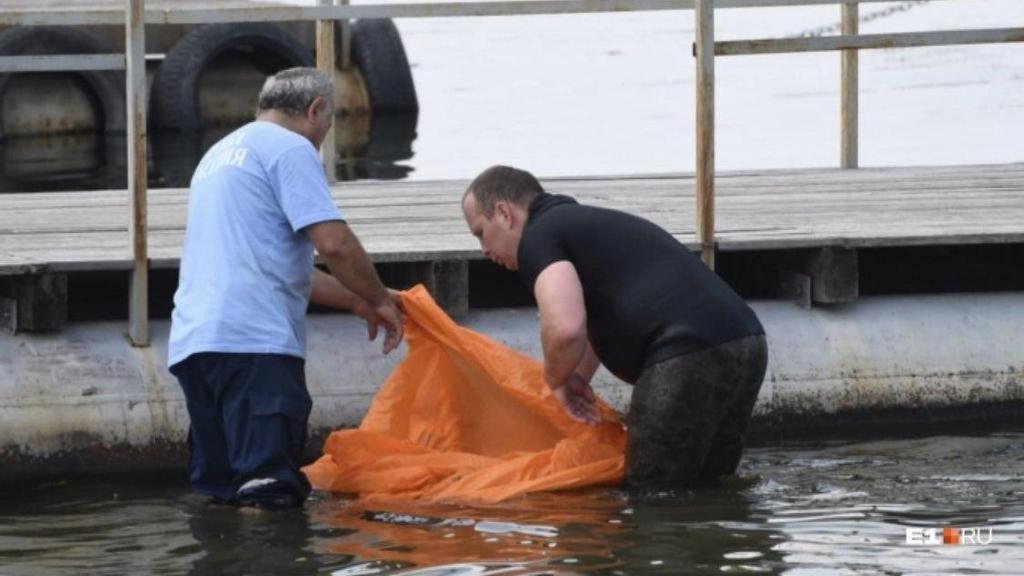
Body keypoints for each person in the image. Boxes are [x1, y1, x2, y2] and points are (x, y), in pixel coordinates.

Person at [168, 67, 403, 510]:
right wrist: (379, 298)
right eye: (326, 127)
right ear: (315, 111)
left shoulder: (217, 156)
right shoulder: (291, 148)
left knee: (221, 490)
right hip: (255, 346)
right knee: (269, 491)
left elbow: (280, 269)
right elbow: (334, 243)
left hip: (196, 346)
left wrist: (355, 300)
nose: (322, 140)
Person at [461, 165, 767, 493]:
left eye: (480, 232)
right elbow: (598, 317)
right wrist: (577, 375)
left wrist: (556, 379)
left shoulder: (538, 237)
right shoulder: (581, 226)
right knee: (711, 488)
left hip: (687, 351)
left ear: (505, 213)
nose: (483, 249)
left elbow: (566, 328)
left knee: (650, 496)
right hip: (747, 342)